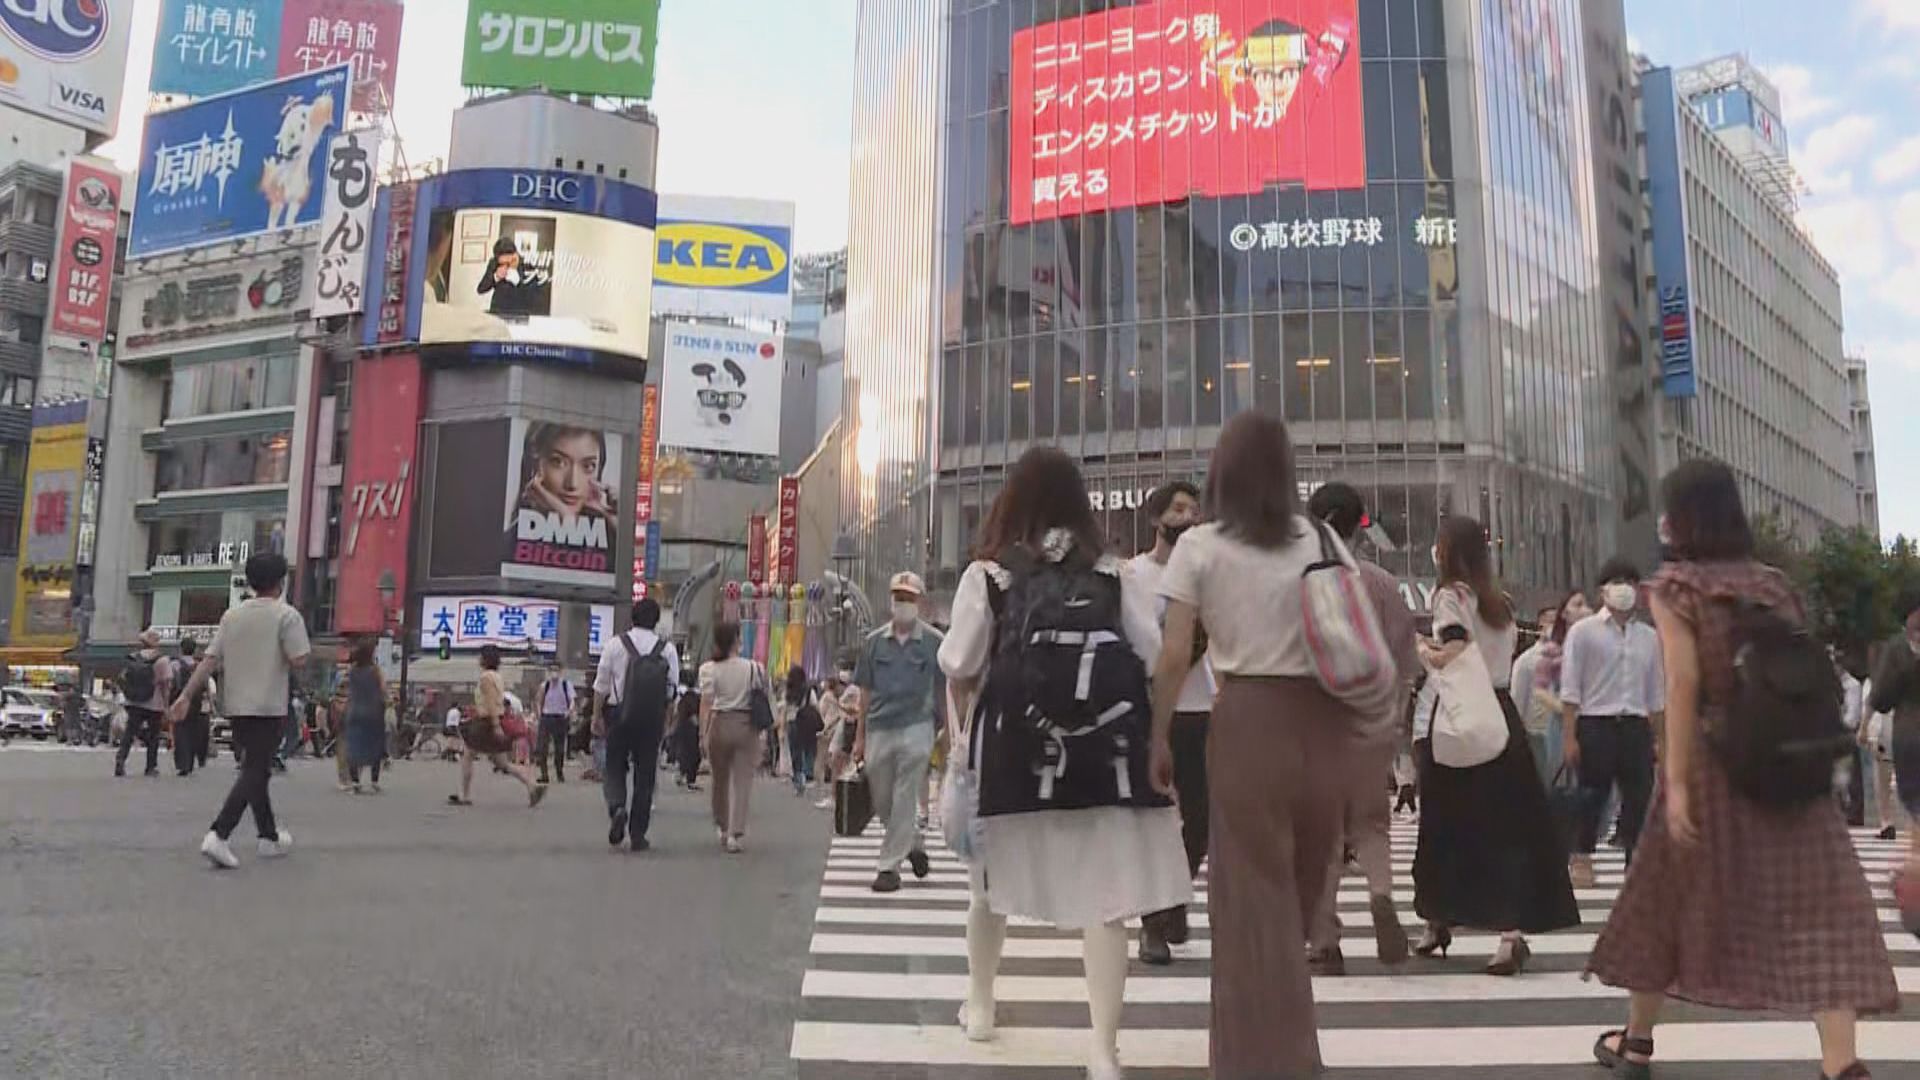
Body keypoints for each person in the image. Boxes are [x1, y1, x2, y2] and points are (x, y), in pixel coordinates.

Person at [1588, 459, 1898, 1080]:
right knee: (1819, 908)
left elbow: (1682, 684)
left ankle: (1638, 1041)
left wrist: (1673, 786)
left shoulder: (1675, 587)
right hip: (1788, 766)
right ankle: (1841, 1062)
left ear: (1685, 519)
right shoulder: (1776, 585)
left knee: (1665, 899)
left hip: (1710, 762)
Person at [941, 446, 1189, 1080]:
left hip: (1015, 753)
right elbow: (1155, 652)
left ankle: (982, 1004)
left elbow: (958, 662)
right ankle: (1103, 1050)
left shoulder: (991, 573)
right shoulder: (1114, 572)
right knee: (1107, 904)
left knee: (987, 889)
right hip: (1104, 753)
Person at [1142, 414, 1368, 1075]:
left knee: (1248, 902)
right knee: (1297, 897)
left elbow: (1175, 653)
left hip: (1245, 721)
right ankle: (1291, 1048)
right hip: (1321, 724)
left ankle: (1254, 1058)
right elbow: (1353, 625)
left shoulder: (1200, 548)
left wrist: (1158, 734)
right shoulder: (1323, 537)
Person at [1412, 516, 1578, 976]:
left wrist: (1422, 651)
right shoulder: (1499, 603)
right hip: (1503, 718)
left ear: (1448, 552)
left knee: (1445, 822)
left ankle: (1437, 920)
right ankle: (1511, 935)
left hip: (1461, 716)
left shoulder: (1449, 596)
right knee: (1510, 827)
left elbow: (1455, 649)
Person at [1303, 481, 1421, 975]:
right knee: (1372, 826)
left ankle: (1325, 942)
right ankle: (1380, 894)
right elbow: (1405, 662)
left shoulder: (1300, 579)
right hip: (1372, 720)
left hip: (1315, 723)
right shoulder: (1380, 583)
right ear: (1359, 524)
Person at [1124, 480, 1215, 966]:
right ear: (1157, 518)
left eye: (1194, 511)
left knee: (1200, 821)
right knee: (1153, 819)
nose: (1187, 518)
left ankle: (1176, 894)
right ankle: (1152, 924)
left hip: (1200, 707)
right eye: (1178, 509)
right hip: (1147, 708)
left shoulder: (1205, 574)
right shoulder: (1133, 574)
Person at [173, 553, 309, 869]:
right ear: (281, 582)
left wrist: (185, 694)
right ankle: (220, 833)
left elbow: (209, 659)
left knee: (256, 768)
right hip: (269, 704)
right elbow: (299, 658)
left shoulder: (231, 616)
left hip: (236, 705)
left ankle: (268, 836)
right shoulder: (286, 616)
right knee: (255, 770)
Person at [1560, 558, 1665, 884]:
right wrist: (1569, 737)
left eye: (1630, 582)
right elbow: (1570, 691)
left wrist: (1662, 739)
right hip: (1596, 723)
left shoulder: (1648, 637)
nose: (1624, 589)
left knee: (1639, 796)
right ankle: (1581, 855)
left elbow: (1657, 694)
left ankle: (1635, 859)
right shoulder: (1583, 632)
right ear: (1602, 590)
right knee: (1593, 794)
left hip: (1635, 725)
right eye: (1617, 581)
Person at [850, 571, 945, 893]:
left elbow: (946, 687)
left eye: (909, 598)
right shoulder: (874, 643)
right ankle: (913, 844)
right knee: (883, 797)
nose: (903, 604)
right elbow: (864, 690)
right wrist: (860, 737)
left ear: (920, 602)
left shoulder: (935, 642)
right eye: (898, 598)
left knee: (906, 792)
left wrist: (947, 727)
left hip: (918, 725)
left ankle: (888, 867)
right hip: (879, 726)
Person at [592, 598, 680, 852]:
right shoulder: (667, 649)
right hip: (651, 718)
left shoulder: (614, 645)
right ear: (656, 621)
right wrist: (667, 721)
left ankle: (617, 806)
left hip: (619, 715)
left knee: (615, 766)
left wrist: (596, 715)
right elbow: (671, 690)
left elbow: (601, 685)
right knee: (645, 775)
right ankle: (638, 834)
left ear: (632, 618)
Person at [449, 646, 546, 808]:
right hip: (494, 721)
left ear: (484, 660)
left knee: (468, 755)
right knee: (501, 762)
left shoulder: (486, 677)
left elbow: (491, 703)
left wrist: (495, 725)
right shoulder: (498, 677)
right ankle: (532, 785)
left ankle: (465, 795)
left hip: (486, 722)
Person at [1870, 600, 1920, 912]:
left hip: (1912, 736)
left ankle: (1915, 877)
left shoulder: (1899, 648)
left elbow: (1881, 698)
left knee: (1917, 807)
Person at [698, 622, 760, 853]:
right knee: (742, 781)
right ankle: (736, 832)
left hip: (719, 722)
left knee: (720, 779)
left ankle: (722, 826)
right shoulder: (754, 667)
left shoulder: (709, 669)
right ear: (736, 639)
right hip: (746, 723)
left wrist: (703, 734)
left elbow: (706, 703)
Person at [1531, 589, 1594, 788]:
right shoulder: (1554, 650)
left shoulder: (1598, 646)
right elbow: (1539, 690)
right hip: (1561, 723)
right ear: (1564, 614)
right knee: (1566, 782)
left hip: (1595, 720)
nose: (1584, 610)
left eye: (1586, 604)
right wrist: (1565, 708)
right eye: (1577, 604)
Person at [1510, 605, 1560, 789]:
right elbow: (1517, 702)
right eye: (1551, 621)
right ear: (1540, 626)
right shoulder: (1526, 662)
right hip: (1536, 734)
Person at [115, 629, 174, 778]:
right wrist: (167, 706)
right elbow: (165, 684)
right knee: (154, 735)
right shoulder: (162, 660)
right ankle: (150, 766)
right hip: (154, 703)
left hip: (133, 701)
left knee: (129, 732)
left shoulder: (133, 658)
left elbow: (121, 677)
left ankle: (121, 759)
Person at [342, 640, 387, 793]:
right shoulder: (375, 670)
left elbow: (348, 690)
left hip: (354, 712)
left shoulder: (352, 671)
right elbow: (383, 689)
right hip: (373, 713)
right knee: (374, 746)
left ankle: (355, 781)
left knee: (354, 746)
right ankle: (374, 781)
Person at [171, 637, 211, 775]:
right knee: (193, 731)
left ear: (181, 648)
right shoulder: (200, 666)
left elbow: (171, 683)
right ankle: (191, 761)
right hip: (196, 701)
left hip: (180, 699)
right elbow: (206, 686)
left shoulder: (175, 665)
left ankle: (183, 764)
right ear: (194, 650)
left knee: (180, 731)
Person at [783, 665, 822, 797]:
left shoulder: (788, 692)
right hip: (805, 723)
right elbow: (815, 706)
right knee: (809, 749)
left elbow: (785, 710)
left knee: (795, 753)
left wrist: (782, 727)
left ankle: (798, 779)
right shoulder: (808, 691)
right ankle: (807, 774)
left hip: (792, 723)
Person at [535, 659, 575, 785]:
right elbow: (538, 700)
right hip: (546, 717)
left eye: (556, 670)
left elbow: (572, 699)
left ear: (561, 671)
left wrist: (569, 711)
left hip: (560, 717)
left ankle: (559, 772)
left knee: (559, 748)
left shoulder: (566, 685)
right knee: (542, 747)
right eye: (552, 670)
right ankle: (544, 774)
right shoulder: (545, 685)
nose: (554, 673)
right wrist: (539, 714)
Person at [670, 667, 702, 791]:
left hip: (683, 724)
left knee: (682, 750)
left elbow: (676, 709)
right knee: (693, 753)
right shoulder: (698, 694)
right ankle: (690, 779)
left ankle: (681, 772)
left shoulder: (680, 693)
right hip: (694, 726)